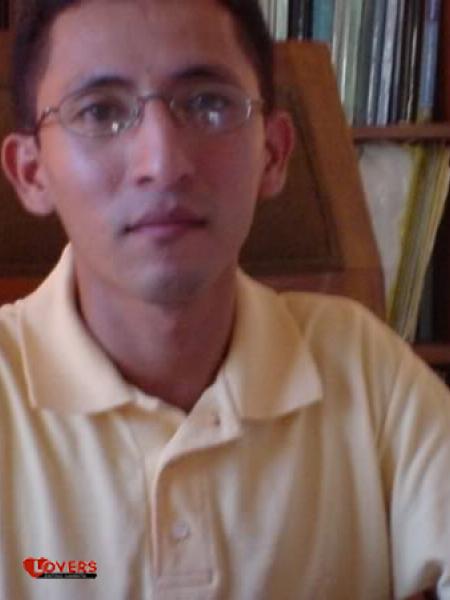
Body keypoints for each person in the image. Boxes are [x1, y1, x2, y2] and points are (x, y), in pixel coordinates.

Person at [0, 0, 449, 598]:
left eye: (208, 103)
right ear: (31, 173)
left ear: (273, 153)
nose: (162, 163)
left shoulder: (364, 369)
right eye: (100, 111)